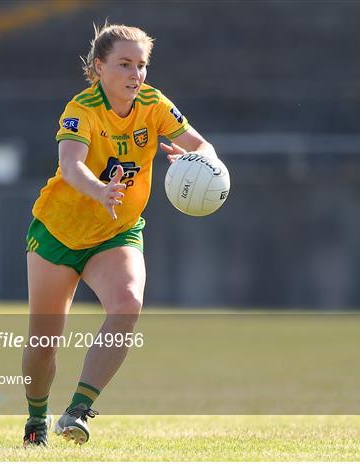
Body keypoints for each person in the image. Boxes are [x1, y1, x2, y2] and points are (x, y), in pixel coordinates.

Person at [22, 22, 218, 447]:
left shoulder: (153, 103)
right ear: (100, 67)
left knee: (128, 303)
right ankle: (36, 419)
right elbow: (72, 166)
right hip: (59, 232)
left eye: (142, 65)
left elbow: (203, 145)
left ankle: (77, 411)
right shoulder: (82, 108)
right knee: (43, 345)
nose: (136, 74)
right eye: (125, 64)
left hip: (117, 232)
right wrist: (99, 189)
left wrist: (199, 163)